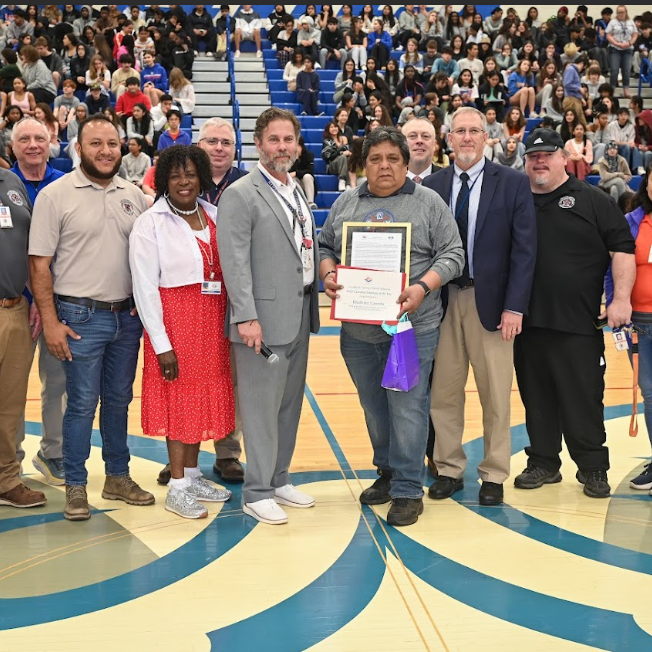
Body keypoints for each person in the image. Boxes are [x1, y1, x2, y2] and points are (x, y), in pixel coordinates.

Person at [319, 126, 464, 526]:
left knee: (407, 406)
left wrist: (421, 286)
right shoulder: (347, 203)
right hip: (359, 331)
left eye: (392, 159)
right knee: (374, 408)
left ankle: (406, 488)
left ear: (405, 162)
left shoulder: (429, 203)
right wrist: (329, 274)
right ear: (363, 164)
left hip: (410, 329)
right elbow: (325, 247)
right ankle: (386, 471)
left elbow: (453, 254)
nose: (384, 166)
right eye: (375, 159)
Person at [28, 114, 154, 522]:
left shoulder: (133, 195)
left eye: (112, 144)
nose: (105, 151)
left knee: (119, 401)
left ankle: (118, 475)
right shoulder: (55, 195)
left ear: (123, 148)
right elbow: (39, 264)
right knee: (81, 403)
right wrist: (50, 320)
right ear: (78, 149)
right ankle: (76, 484)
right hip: (79, 317)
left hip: (126, 318)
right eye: (96, 144)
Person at [423, 107, 537, 507]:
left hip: (493, 306)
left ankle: (493, 473)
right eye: (460, 131)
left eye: (475, 131)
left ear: (487, 137)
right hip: (442, 302)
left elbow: (525, 252)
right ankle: (450, 468)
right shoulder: (432, 185)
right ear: (448, 138)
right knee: (444, 392)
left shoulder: (512, 183)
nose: (467, 138)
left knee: (495, 395)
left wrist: (515, 307)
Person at [515, 128, 635, 499]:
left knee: (583, 396)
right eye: (533, 156)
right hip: (525, 323)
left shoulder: (592, 199)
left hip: (578, 322)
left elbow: (622, 249)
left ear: (563, 157)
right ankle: (544, 463)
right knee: (536, 398)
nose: (539, 161)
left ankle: (593, 467)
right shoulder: (516, 200)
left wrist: (621, 300)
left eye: (547, 154)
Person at [217, 107, 320, 526]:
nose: (282, 147)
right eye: (274, 140)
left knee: (288, 405)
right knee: (260, 408)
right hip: (260, 320)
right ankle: (256, 490)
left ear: (297, 144)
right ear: (258, 144)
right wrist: (246, 316)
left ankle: (278, 478)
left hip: (299, 313)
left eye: (288, 140)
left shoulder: (296, 189)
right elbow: (234, 261)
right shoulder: (241, 193)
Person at [130, 145, 233, 519]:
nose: (184, 181)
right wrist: (161, 344)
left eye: (190, 173)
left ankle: (192, 475)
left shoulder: (216, 215)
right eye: (175, 175)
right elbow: (143, 287)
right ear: (163, 181)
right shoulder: (150, 223)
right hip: (175, 322)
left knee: (203, 398)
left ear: (202, 176)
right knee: (180, 402)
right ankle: (176, 487)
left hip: (212, 320)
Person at [156, 118, 248, 486]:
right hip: (183, 310)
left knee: (227, 383)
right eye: (212, 140)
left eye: (227, 142)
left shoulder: (246, 186)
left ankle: (227, 453)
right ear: (199, 144)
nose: (220, 147)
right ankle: (178, 464)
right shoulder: (172, 191)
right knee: (183, 386)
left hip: (226, 303)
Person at [11, 117, 66, 485]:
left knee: (58, 383)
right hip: (13, 301)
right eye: (24, 138)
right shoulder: (4, 183)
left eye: (39, 138)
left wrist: (44, 298)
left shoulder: (67, 181)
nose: (33, 144)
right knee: (9, 388)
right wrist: (28, 294)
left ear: (51, 142)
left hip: (57, 302)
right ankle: (8, 459)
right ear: (12, 145)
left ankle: (54, 453)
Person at [0, 162, 45, 509]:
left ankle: (5, 480)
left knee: (9, 406)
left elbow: (28, 246)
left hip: (14, 308)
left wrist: (35, 297)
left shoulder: (11, 180)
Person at [608, 166, 652, 493]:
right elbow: (615, 267)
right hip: (640, 323)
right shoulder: (632, 221)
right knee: (649, 393)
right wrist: (614, 302)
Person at [606, 5, 638, 98]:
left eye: (622, 12)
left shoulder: (630, 22)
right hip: (615, 48)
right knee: (614, 70)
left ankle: (626, 91)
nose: (620, 14)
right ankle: (612, 91)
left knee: (627, 70)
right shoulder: (613, 22)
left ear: (626, 12)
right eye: (619, 12)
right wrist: (617, 43)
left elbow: (635, 34)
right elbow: (608, 35)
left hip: (627, 49)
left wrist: (630, 43)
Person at [402, 116, 440, 181]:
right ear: (401, 143)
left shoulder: (449, 180)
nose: (419, 141)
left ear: (434, 145)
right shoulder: (391, 180)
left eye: (425, 136)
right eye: (412, 136)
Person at [322, 120, 351, 192]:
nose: (334, 128)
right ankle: (342, 180)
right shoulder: (327, 141)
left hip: (344, 163)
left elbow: (348, 151)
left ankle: (348, 184)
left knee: (349, 158)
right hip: (332, 165)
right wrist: (341, 153)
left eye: (335, 127)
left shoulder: (343, 139)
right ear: (328, 130)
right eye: (331, 127)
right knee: (343, 157)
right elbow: (328, 156)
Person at [290, 135, 317, 209]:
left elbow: (310, 171)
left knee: (307, 176)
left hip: (307, 183)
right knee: (293, 179)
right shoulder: (289, 157)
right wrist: (295, 159)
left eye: (298, 145)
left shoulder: (309, 155)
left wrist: (296, 173)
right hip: (296, 182)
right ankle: (297, 202)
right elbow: (288, 173)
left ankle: (310, 202)